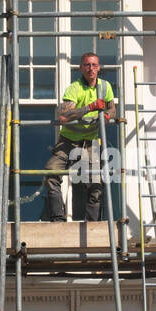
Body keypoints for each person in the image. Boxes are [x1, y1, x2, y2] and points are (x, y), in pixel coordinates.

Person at [41, 51, 116, 222]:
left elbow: (112, 109)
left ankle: (92, 224)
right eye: (87, 65)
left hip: (91, 142)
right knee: (52, 173)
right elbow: (64, 116)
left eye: (94, 65)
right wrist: (89, 107)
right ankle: (58, 219)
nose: (91, 68)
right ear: (81, 68)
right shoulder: (75, 88)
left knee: (95, 184)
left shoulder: (105, 87)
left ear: (99, 68)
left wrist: (107, 115)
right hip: (69, 141)